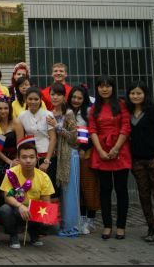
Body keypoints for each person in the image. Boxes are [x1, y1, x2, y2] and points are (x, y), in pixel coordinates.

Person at [88, 75, 131, 240]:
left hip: (120, 151)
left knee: (121, 190)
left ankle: (121, 226)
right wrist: (100, 150)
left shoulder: (121, 105)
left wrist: (116, 148)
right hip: (101, 152)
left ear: (113, 88)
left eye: (108, 86)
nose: (104, 89)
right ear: (97, 88)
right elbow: (92, 130)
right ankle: (107, 225)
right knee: (105, 191)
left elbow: (126, 127)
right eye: (101, 86)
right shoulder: (94, 108)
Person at [125, 81, 154, 243]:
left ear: (145, 94)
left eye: (139, 93)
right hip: (137, 161)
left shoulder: (152, 111)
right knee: (143, 195)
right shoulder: (127, 112)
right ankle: (150, 227)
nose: (135, 96)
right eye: (132, 93)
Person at [0, 140, 55, 249]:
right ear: (18, 159)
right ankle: (13, 235)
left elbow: (46, 203)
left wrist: (42, 215)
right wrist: (20, 206)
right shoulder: (12, 173)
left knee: (53, 223)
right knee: (4, 210)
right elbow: (7, 196)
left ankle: (34, 232)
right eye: (24, 157)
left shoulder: (43, 177)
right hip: (16, 208)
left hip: (34, 209)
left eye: (31, 157)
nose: (28, 160)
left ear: (37, 158)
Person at [68, 85, 100, 235]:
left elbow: (94, 133)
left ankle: (90, 220)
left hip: (87, 155)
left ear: (85, 99)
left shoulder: (89, 112)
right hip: (71, 155)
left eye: (79, 98)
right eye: (74, 97)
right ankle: (80, 219)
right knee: (77, 188)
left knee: (89, 187)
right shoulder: (67, 112)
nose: (76, 100)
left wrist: (84, 148)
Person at [49, 83, 79, 237]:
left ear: (64, 96)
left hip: (69, 156)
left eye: (58, 94)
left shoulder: (68, 113)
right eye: (53, 94)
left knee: (69, 192)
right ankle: (59, 224)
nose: (55, 97)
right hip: (56, 157)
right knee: (59, 191)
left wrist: (57, 127)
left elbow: (74, 137)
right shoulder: (49, 113)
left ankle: (70, 227)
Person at [14, 87, 57, 190]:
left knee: (49, 189)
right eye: (30, 99)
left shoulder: (48, 114)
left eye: (36, 99)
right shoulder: (22, 116)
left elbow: (53, 138)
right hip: (30, 158)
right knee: (32, 188)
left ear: (41, 100)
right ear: (26, 99)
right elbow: (20, 139)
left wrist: (47, 161)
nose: (33, 102)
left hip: (47, 156)